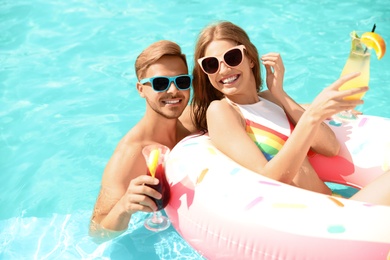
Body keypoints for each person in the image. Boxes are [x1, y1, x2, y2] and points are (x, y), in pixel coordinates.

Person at [190, 21, 390, 205]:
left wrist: (280, 93)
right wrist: (311, 116)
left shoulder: (272, 99)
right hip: (312, 219)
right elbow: (266, 178)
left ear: (250, 58)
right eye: (211, 64)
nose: (223, 70)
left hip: (335, 205)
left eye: (232, 57)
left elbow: (330, 147)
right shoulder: (221, 111)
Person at [89, 40, 195, 241]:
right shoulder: (130, 154)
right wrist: (124, 206)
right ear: (140, 89)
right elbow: (96, 233)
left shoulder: (192, 124)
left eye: (181, 81)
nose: (173, 91)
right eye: (160, 83)